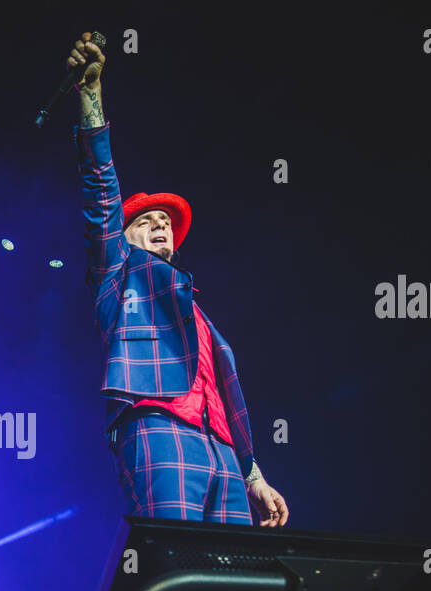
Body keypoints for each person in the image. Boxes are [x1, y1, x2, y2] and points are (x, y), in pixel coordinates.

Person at [69, 33, 289, 527]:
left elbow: (221, 394)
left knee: (233, 579)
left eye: (165, 220)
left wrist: (253, 474)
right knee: (175, 566)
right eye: (145, 221)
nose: (160, 223)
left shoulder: (199, 318)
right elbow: (101, 190)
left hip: (225, 453)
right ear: (122, 238)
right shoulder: (117, 274)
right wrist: (90, 98)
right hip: (159, 428)